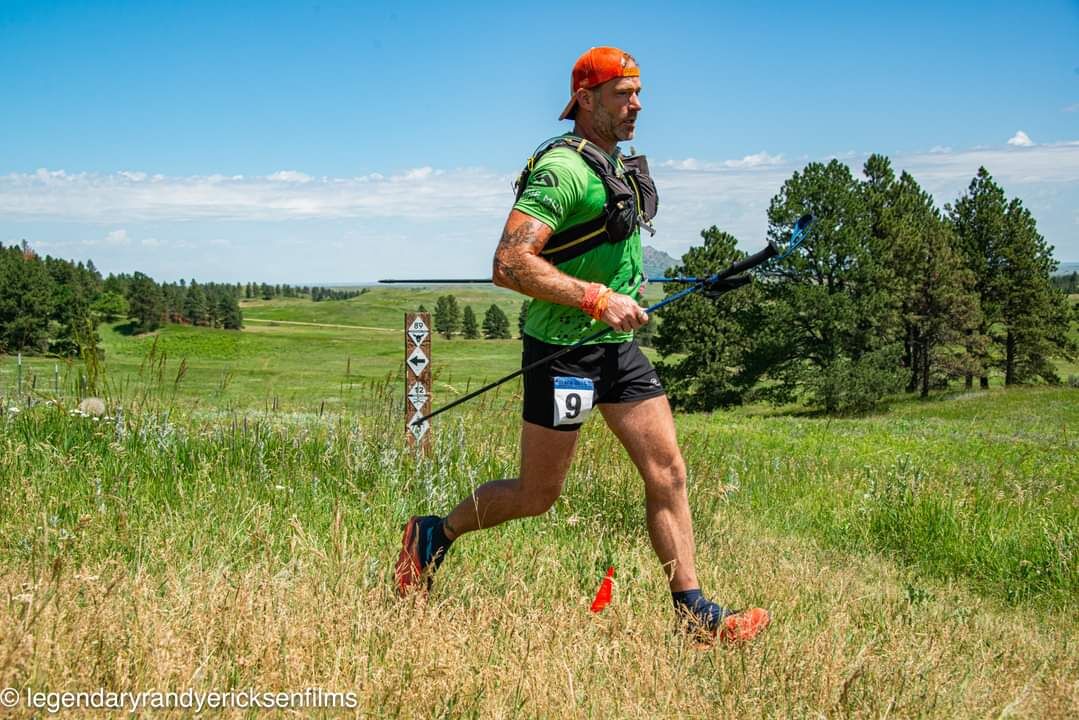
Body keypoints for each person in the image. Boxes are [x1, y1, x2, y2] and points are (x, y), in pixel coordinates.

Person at [395, 46, 770, 643]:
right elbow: (508, 263)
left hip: (617, 350)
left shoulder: (613, 164)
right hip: (562, 353)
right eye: (623, 94)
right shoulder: (563, 170)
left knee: (668, 471)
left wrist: (664, 285)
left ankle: (694, 614)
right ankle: (433, 534)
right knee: (537, 494)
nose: (637, 105)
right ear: (585, 99)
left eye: (638, 93)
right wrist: (596, 298)